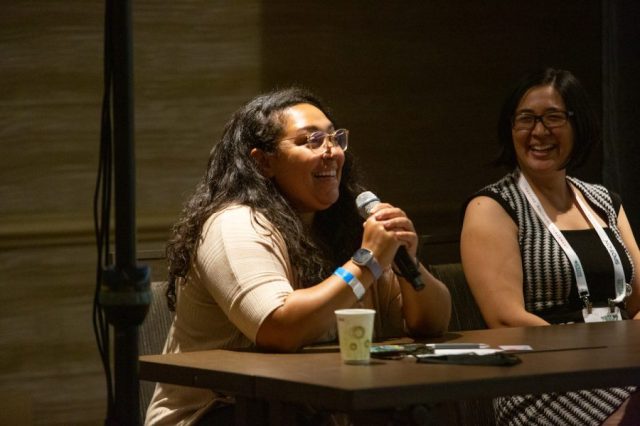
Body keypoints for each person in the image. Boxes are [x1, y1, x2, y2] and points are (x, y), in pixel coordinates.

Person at [145, 87, 452, 425]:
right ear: (263, 162)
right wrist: (367, 261)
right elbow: (279, 328)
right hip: (220, 413)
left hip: (315, 407)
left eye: (335, 138)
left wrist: (408, 261)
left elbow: (432, 323)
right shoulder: (234, 224)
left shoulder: (345, 226)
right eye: (311, 141)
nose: (331, 151)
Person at [461, 67, 640, 425]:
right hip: (543, 381)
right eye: (526, 119)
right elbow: (504, 319)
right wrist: (596, 353)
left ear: (578, 125)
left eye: (553, 118)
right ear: (510, 128)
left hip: (621, 365)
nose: (539, 131)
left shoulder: (603, 200)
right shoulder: (493, 207)